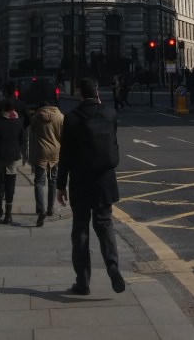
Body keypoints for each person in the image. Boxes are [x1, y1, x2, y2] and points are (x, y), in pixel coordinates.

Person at [57, 77, 125, 296]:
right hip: (105, 180)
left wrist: (60, 185)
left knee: (80, 229)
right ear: (97, 92)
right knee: (104, 224)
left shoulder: (72, 118)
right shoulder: (110, 114)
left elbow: (65, 155)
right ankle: (112, 266)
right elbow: (114, 144)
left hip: (80, 181)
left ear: (80, 94)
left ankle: (83, 282)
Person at [29, 85, 64, 226]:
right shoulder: (60, 116)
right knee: (53, 180)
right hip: (55, 151)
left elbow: (32, 133)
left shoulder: (36, 117)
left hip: (41, 151)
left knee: (39, 181)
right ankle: (50, 207)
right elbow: (62, 135)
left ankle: (40, 209)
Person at [0, 97, 24, 224]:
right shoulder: (18, 122)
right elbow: (21, 140)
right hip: (12, 156)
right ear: (13, 109)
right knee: (10, 183)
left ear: (3, 109)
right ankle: (8, 214)